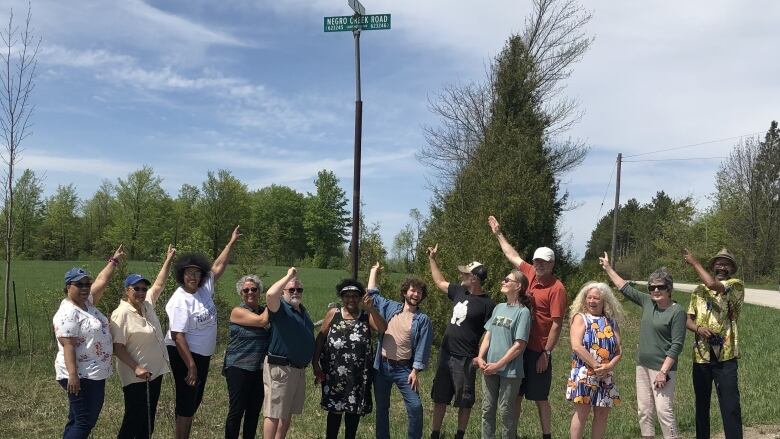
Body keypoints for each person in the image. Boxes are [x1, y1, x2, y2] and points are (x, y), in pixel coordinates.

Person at [488, 216, 567, 439]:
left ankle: (546, 435)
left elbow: (557, 324)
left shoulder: (557, 288)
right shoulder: (529, 273)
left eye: (544, 262)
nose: (539, 264)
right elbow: (511, 255)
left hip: (537, 350)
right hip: (517, 347)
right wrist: (498, 233)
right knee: (516, 396)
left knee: (540, 398)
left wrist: (546, 353)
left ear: (552, 264)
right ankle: (511, 433)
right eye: (537, 261)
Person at [164, 226, 240, 439]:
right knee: (186, 403)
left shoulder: (204, 288)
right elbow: (177, 335)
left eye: (197, 273)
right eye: (189, 273)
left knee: (194, 401)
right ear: (182, 275)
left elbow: (218, 265)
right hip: (185, 355)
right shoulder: (180, 300)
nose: (194, 277)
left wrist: (231, 242)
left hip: (202, 356)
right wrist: (191, 365)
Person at [599, 253, 686, 439]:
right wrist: (607, 268)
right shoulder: (648, 302)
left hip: (662, 369)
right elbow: (624, 287)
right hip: (642, 365)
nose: (655, 290)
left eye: (660, 287)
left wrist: (663, 372)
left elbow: (677, 345)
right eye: (652, 287)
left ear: (669, 289)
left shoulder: (677, 311)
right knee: (644, 411)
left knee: (664, 412)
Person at [53, 245, 124, 439]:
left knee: (77, 419)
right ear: (68, 287)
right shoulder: (67, 313)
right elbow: (67, 345)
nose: (85, 288)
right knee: (85, 421)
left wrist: (114, 261)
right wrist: (73, 376)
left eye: (87, 284)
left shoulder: (87, 304)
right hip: (82, 376)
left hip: (93, 372)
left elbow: (102, 280)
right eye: (80, 285)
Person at [427, 244, 495, 439]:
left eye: (465, 274)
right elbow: (439, 282)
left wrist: (480, 357)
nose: (461, 276)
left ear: (474, 278)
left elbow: (489, 333)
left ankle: (459, 435)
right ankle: (435, 434)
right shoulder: (458, 291)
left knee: (464, 400)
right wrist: (432, 259)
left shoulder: (488, 305)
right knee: (439, 397)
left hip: (466, 358)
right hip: (446, 353)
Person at [110, 244, 176, 439]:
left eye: (143, 288)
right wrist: (137, 367)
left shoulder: (147, 305)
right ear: (126, 291)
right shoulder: (121, 313)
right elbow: (117, 348)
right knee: (134, 419)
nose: (141, 292)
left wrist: (168, 259)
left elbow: (159, 284)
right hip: (136, 376)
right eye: (136, 288)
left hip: (154, 373)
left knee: (148, 422)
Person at [313, 279, 387, 439]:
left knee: (353, 414)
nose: (351, 299)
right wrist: (315, 363)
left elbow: (382, 328)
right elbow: (320, 338)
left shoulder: (366, 316)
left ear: (360, 298)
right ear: (342, 297)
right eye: (347, 296)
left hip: (358, 376)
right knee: (334, 414)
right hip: (334, 375)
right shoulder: (334, 314)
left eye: (355, 296)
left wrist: (372, 309)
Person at [683, 248, 744, 439]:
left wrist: (694, 263)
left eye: (726, 263)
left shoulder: (735, 285)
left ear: (731, 268)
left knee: (730, 405)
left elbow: (712, 283)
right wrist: (699, 329)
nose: (722, 266)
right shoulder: (698, 291)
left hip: (726, 355)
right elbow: (688, 320)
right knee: (702, 405)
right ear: (713, 266)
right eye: (718, 262)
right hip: (701, 355)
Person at [368, 262, 433, 439]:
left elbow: (423, 347)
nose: (416, 294)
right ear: (405, 292)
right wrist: (374, 271)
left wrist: (415, 371)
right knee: (382, 408)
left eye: (419, 292)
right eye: (413, 290)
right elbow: (373, 294)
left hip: (404, 369)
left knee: (415, 407)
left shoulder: (422, 320)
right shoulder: (390, 307)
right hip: (381, 367)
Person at [477, 269, 532, 439]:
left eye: (507, 280)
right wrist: (480, 357)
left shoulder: (523, 312)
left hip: (510, 371)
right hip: (489, 367)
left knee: (506, 411)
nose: (503, 282)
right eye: (504, 279)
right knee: (487, 409)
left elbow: (519, 345)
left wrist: (498, 365)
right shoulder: (498, 308)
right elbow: (488, 334)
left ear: (518, 286)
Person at [565, 282, 624, 439]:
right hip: (584, 374)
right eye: (589, 297)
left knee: (602, 413)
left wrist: (609, 366)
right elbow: (576, 346)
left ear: (604, 300)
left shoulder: (611, 322)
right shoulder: (580, 318)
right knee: (582, 413)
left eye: (596, 298)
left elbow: (619, 351)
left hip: (606, 376)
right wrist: (597, 366)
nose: (592, 301)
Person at [262, 267, 315, 439]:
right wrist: (289, 276)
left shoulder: (301, 311)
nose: (295, 292)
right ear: (284, 291)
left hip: (298, 370)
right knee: (274, 413)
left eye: (299, 289)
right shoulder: (280, 308)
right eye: (291, 289)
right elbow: (270, 295)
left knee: (286, 414)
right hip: (281, 368)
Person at [224, 274, 271, 439]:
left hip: (259, 369)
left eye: (254, 289)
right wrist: (273, 303)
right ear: (241, 293)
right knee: (237, 410)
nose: (250, 292)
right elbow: (261, 322)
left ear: (259, 291)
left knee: (253, 411)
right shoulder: (238, 311)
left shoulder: (264, 310)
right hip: (238, 367)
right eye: (246, 290)